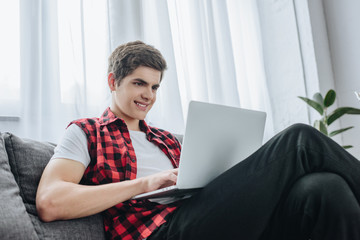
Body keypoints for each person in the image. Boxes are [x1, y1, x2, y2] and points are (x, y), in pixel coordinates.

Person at [36, 40, 360, 240]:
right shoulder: (86, 131)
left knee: (324, 188)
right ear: (113, 81)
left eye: (155, 87)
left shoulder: (166, 139)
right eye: (139, 83)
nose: (148, 95)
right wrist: (144, 184)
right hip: (162, 232)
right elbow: (51, 202)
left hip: (208, 219)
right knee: (299, 139)